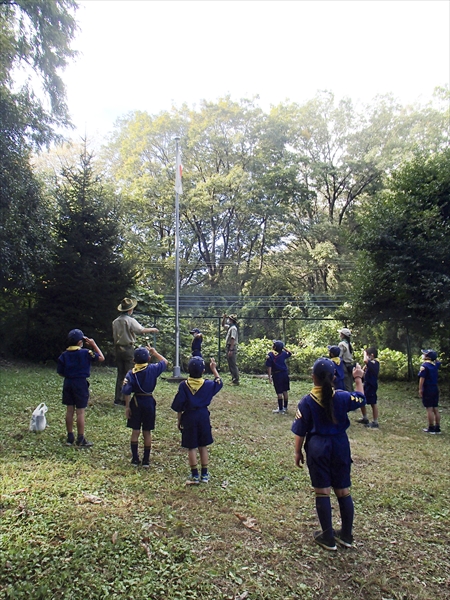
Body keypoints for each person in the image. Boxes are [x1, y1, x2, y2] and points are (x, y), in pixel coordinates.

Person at [292, 357, 366, 551]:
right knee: (343, 490)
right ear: (334, 377)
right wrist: (358, 379)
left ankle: (328, 537)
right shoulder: (341, 397)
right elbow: (361, 398)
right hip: (340, 446)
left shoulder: (306, 401)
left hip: (318, 448)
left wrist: (297, 452)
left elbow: (300, 431)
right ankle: (347, 535)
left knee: (322, 491)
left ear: (313, 377)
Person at [171, 356, 223, 484]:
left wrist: (179, 420)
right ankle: (204, 474)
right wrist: (214, 369)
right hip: (203, 416)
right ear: (203, 371)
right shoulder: (208, 384)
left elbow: (179, 405)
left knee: (191, 447)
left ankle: (194, 475)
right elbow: (219, 382)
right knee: (203, 445)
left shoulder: (184, 385)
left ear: (188, 369)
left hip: (189, 416)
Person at [57, 328, 105, 447]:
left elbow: (60, 372)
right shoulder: (86, 353)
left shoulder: (64, 355)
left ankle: (69, 437)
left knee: (69, 410)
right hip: (80, 383)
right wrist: (93, 345)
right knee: (80, 412)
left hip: (68, 382)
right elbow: (101, 358)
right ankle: (81, 438)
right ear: (80, 342)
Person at [122, 346, 168, 467]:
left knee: (135, 431)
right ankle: (146, 460)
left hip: (136, 401)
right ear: (148, 358)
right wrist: (155, 352)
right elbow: (165, 362)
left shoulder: (131, 373)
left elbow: (126, 391)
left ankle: (135, 459)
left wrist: (127, 407)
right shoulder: (153, 368)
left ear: (133, 361)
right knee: (147, 431)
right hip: (149, 401)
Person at [112, 297, 159, 406]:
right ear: (130, 310)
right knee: (129, 373)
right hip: (128, 348)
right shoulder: (129, 320)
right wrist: (153, 329)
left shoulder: (115, 321)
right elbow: (140, 330)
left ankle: (117, 398)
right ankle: (125, 398)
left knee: (120, 373)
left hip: (118, 348)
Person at [418, 349, 441, 434]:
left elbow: (422, 379)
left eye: (424, 354)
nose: (423, 355)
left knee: (429, 409)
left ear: (427, 357)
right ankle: (437, 427)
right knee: (435, 408)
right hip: (435, 388)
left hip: (428, 388)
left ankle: (431, 427)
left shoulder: (425, 366)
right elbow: (438, 361)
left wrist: (420, 389)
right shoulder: (435, 365)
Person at [266, 340, 292, 414]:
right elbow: (290, 353)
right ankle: (285, 407)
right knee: (285, 391)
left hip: (277, 375)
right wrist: (283, 348)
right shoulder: (283, 354)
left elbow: (269, 367)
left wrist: (269, 376)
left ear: (274, 347)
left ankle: (280, 409)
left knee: (279, 392)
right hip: (285, 374)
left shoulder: (270, 355)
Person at [357, 347, 380, 428]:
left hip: (371, 386)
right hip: (366, 385)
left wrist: (364, 353)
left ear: (372, 355)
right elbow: (363, 371)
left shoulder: (375, 363)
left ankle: (375, 422)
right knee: (361, 399)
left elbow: (365, 360)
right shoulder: (369, 364)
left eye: (367, 355)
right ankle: (365, 418)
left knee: (373, 403)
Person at [221, 313, 239, 385]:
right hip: (229, 346)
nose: (228, 320)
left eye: (229, 319)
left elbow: (232, 339)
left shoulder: (233, 328)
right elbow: (222, 325)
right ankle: (233, 378)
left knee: (233, 364)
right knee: (230, 363)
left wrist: (231, 349)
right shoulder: (230, 327)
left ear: (231, 320)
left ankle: (236, 380)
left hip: (231, 347)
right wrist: (224, 318)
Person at [338, 327, 354, 392]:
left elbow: (339, 356)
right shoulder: (349, 344)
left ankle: (349, 398)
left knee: (346, 383)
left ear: (343, 335)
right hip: (349, 365)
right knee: (350, 382)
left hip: (344, 365)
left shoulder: (341, 344)